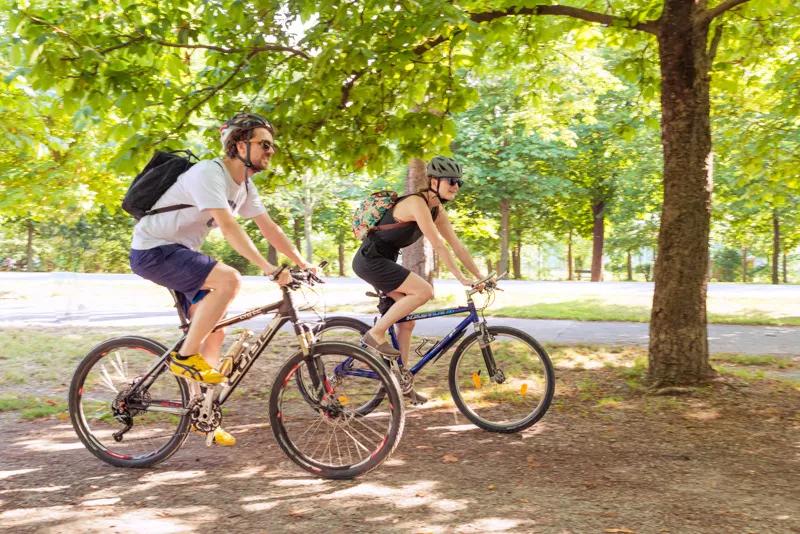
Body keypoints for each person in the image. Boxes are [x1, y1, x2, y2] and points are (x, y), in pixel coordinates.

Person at [129, 112, 312, 445]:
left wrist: (303, 262)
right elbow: (229, 227)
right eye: (264, 144)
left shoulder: (244, 185)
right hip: (153, 250)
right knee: (229, 280)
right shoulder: (208, 173)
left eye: (272, 146)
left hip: (179, 253)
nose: (271, 151)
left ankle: (203, 416)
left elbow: (268, 227)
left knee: (213, 333)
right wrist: (269, 268)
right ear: (240, 145)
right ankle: (184, 358)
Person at [352, 156, 489, 404]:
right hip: (370, 260)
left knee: (406, 323)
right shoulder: (416, 203)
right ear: (434, 181)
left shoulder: (437, 210)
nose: (456, 186)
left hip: (384, 262)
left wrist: (479, 277)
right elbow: (437, 244)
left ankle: (402, 384)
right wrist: (461, 279)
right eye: (451, 181)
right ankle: (376, 333)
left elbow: (456, 245)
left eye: (459, 182)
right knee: (424, 291)